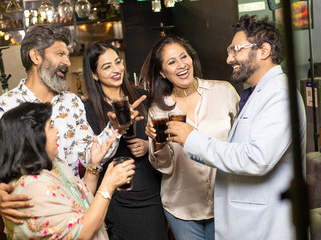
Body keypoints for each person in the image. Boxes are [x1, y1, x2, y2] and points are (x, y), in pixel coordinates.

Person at [0, 25, 144, 224]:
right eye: (60, 54)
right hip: (31, 221)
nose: (67, 62)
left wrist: (115, 127)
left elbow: (89, 156)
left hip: (75, 214)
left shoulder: (72, 102)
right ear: (36, 57)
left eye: (67, 55)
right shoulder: (3, 108)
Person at [166, 15, 307, 239]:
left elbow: (256, 158)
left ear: (264, 51)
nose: (229, 59)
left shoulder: (280, 95)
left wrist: (193, 138)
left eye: (235, 50)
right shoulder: (257, 93)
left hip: (265, 226)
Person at [0, 102, 135, 239]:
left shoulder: (54, 165)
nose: (57, 131)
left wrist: (94, 164)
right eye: (51, 126)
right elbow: (82, 232)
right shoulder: (33, 189)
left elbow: (81, 201)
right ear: (33, 137)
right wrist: (108, 185)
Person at [144, 35, 239, 240]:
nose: (181, 65)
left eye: (183, 57)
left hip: (226, 203)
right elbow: (165, 167)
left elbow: (242, 143)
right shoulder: (158, 110)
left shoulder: (223, 91)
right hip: (181, 208)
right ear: (162, 72)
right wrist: (158, 143)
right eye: (171, 62)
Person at [83, 41, 168, 240]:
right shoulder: (88, 109)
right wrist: (117, 128)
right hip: (118, 197)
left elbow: (164, 135)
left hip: (153, 191)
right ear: (94, 75)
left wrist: (149, 145)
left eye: (117, 62)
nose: (116, 69)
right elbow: (90, 157)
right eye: (107, 66)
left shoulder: (144, 97)